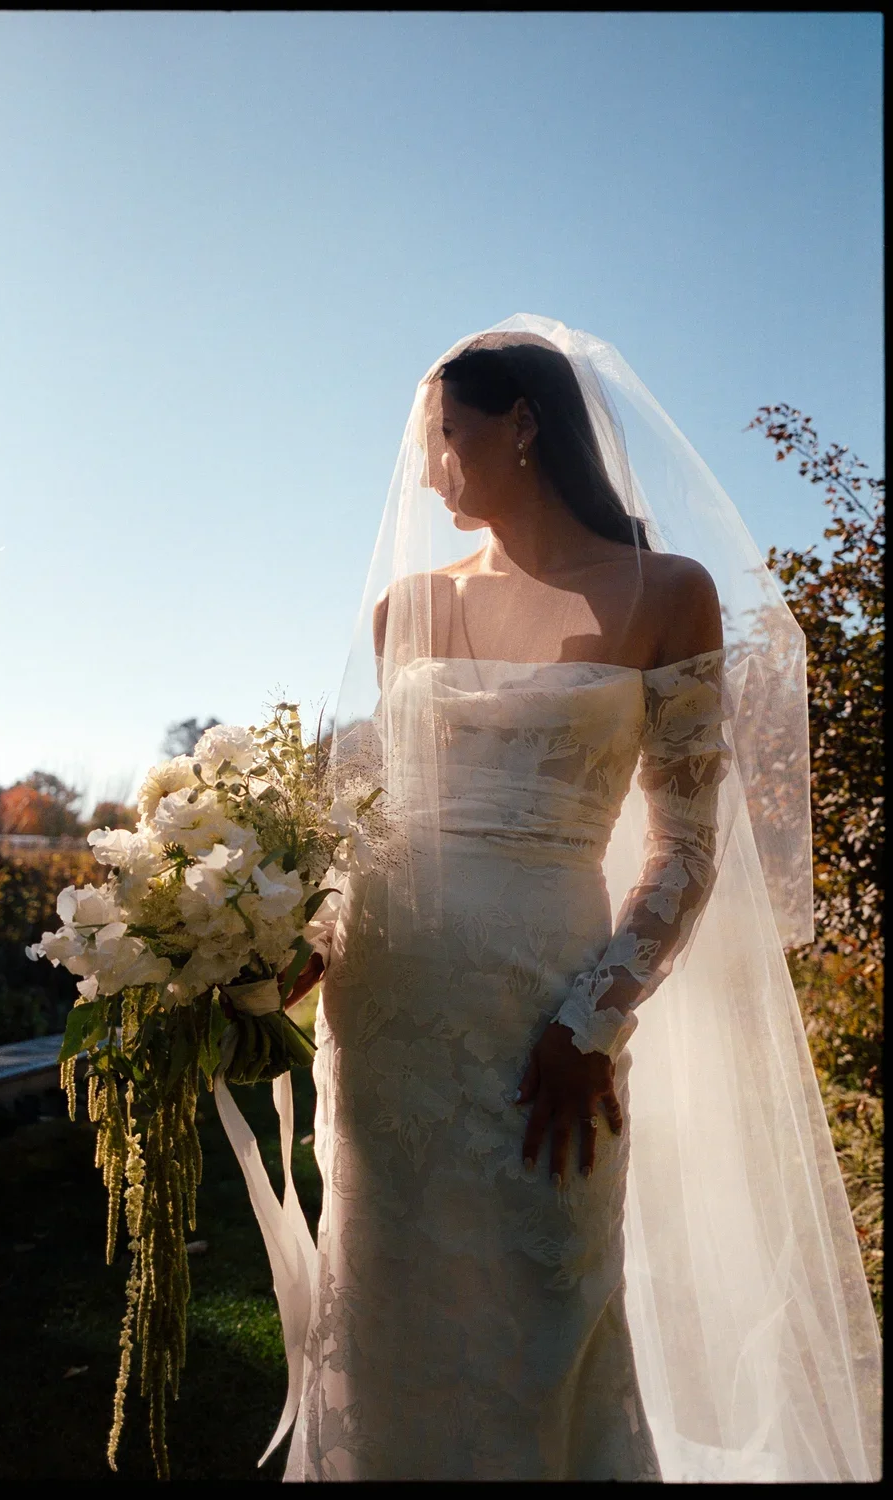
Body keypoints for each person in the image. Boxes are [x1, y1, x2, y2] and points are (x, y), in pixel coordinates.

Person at [220, 317, 881, 1482]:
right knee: (390, 1315)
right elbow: (369, 824)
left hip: (548, 1012)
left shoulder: (664, 593)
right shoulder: (404, 610)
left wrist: (594, 1020)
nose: (427, 469)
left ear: (521, 423)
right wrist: (284, 945)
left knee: (541, 1309)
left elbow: (684, 846)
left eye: (446, 435)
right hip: (388, 1010)